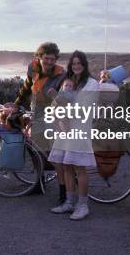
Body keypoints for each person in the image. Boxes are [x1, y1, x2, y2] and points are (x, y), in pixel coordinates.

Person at [48, 50, 100, 220]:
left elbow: (85, 107)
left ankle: (83, 206)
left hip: (79, 130)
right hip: (65, 129)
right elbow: (58, 101)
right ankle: (69, 203)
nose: (76, 66)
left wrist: (63, 106)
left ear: (84, 65)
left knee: (80, 168)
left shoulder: (91, 84)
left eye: (79, 63)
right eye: (74, 63)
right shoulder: (69, 81)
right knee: (66, 166)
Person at [14, 42, 66, 197]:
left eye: (52, 59)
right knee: (35, 148)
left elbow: (65, 96)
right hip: (36, 112)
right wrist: (16, 104)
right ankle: (39, 182)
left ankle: (64, 188)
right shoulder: (33, 68)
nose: (49, 62)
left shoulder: (61, 74)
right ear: (39, 57)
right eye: (46, 58)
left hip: (52, 115)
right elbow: (26, 87)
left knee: (54, 152)